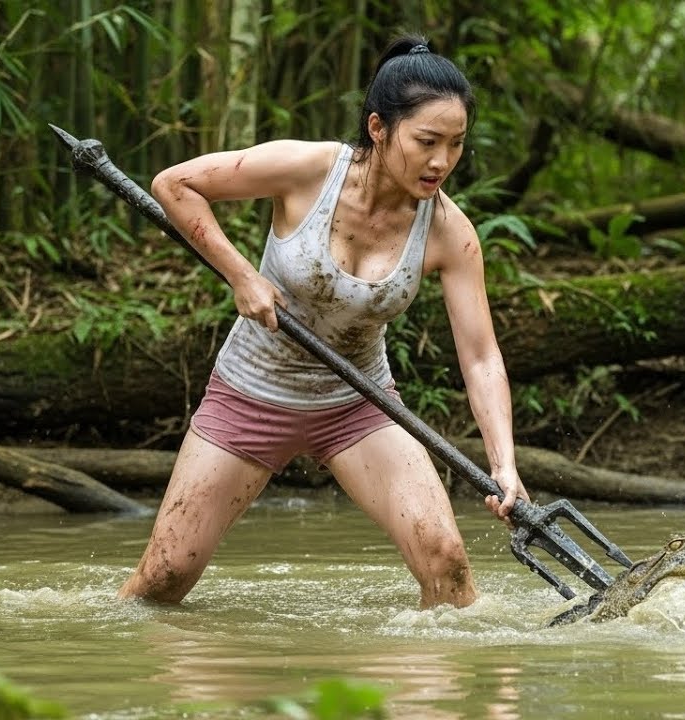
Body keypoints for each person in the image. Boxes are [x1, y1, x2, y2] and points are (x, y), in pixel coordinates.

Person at [117, 35, 527, 609]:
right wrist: (242, 276)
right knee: (165, 576)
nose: (442, 162)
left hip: (358, 402)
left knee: (446, 563)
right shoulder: (310, 170)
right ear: (379, 127)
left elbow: (480, 356)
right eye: (427, 141)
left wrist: (504, 466)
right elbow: (174, 184)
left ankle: (436, 667)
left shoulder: (449, 232)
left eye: (455, 144)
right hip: (251, 392)